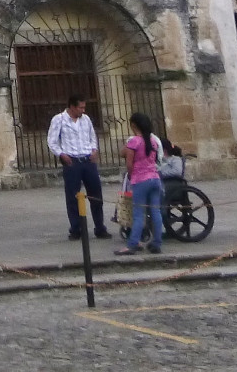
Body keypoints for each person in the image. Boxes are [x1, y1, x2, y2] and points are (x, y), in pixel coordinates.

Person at [47, 95, 111, 240]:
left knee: (96, 194)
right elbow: (52, 140)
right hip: (72, 161)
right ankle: (76, 228)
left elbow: (92, 136)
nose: (82, 110)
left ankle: (100, 227)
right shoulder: (59, 119)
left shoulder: (86, 119)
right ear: (71, 107)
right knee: (72, 196)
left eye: (83, 107)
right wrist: (61, 154)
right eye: (80, 107)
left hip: (87, 160)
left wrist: (94, 150)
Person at [115, 111, 165, 255]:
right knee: (155, 212)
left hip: (140, 180)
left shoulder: (134, 141)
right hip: (155, 179)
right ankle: (157, 243)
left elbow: (128, 161)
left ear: (133, 125)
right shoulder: (153, 141)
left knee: (138, 214)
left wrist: (131, 176)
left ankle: (132, 244)